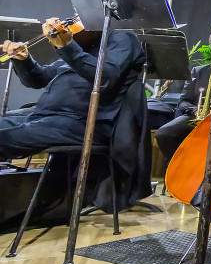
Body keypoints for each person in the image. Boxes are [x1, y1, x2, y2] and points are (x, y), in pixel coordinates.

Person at [1, 18, 145, 160]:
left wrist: (68, 47)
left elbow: (105, 78)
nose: (72, 21)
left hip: (82, 123)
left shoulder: (123, 38)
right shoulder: (83, 45)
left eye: (80, 14)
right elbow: (40, 79)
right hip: (47, 118)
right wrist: (24, 60)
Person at [153, 36, 211, 161]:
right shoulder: (198, 71)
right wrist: (196, 111)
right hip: (196, 117)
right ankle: (180, 167)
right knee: (164, 134)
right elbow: (184, 101)